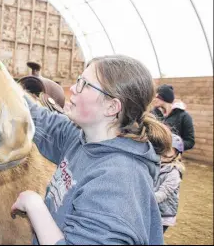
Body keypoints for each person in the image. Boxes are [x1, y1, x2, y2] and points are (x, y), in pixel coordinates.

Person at [11, 55, 172, 245]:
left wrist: (34, 205)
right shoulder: (83, 138)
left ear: (112, 106)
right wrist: (0, 79)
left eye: (84, 84)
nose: (72, 88)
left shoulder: (118, 182)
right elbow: (42, 120)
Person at [154, 134, 185, 234]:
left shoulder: (174, 173)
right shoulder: (155, 165)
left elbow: (163, 193)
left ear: (177, 153)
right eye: (164, 148)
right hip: (153, 209)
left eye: (171, 149)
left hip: (163, 215)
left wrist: (143, 199)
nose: (166, 153)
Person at [151, 84, 195, 151]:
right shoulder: (153, 113)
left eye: (157, 96)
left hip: (170, 158)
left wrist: (173, 145)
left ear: (164, 98)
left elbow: (190, 142)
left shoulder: (184, 116)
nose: (154, 99)